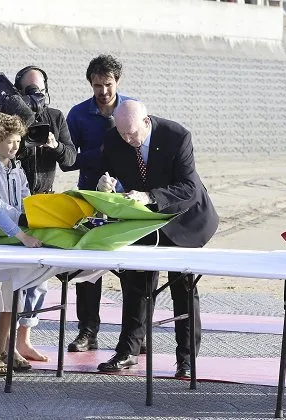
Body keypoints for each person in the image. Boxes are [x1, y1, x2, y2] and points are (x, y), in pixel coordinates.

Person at [95, 100, 219, 378]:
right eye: (123, 134)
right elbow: (107, 173)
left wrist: (150, 197)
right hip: (145, 221)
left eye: (132, 134)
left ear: (146, 122)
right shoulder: (115, 138)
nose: (128, 140)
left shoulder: (177, 136)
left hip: (185, 218)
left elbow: (187, 187)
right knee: (136, 283)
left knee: (183, 288)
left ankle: (187, 360)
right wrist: (105, 184)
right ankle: (128, 351)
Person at [61, 55, 132, 353]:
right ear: (90, 83)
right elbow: (68, 161)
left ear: (118, 81)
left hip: (126, 201)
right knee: (87, 268)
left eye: (108, 84)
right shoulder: (77, 114)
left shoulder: (132, 109)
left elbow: (141, 150)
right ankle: (87, 332)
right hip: (89, 198)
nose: (103, 91)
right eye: (97, 85)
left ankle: (133, 338)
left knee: (133, 270)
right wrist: (99, 153)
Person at [12, 65, 77, 362]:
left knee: (39, 279)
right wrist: (23, 140)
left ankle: (24, 339)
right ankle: (5, 342)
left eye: (39, 90)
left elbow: (71, 159)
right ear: (18, 93)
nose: (36, 97)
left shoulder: (56, 117)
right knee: (11, 279)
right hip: (14, 206)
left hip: (45, 203)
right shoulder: (10, 117)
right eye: (29, 91)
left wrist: (54, 144)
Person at [0, 116, 42, 375]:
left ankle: (3, 347)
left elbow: (23, 199)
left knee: (8, 292)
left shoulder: (16, 168)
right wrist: (22, 234)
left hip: (6, 238)